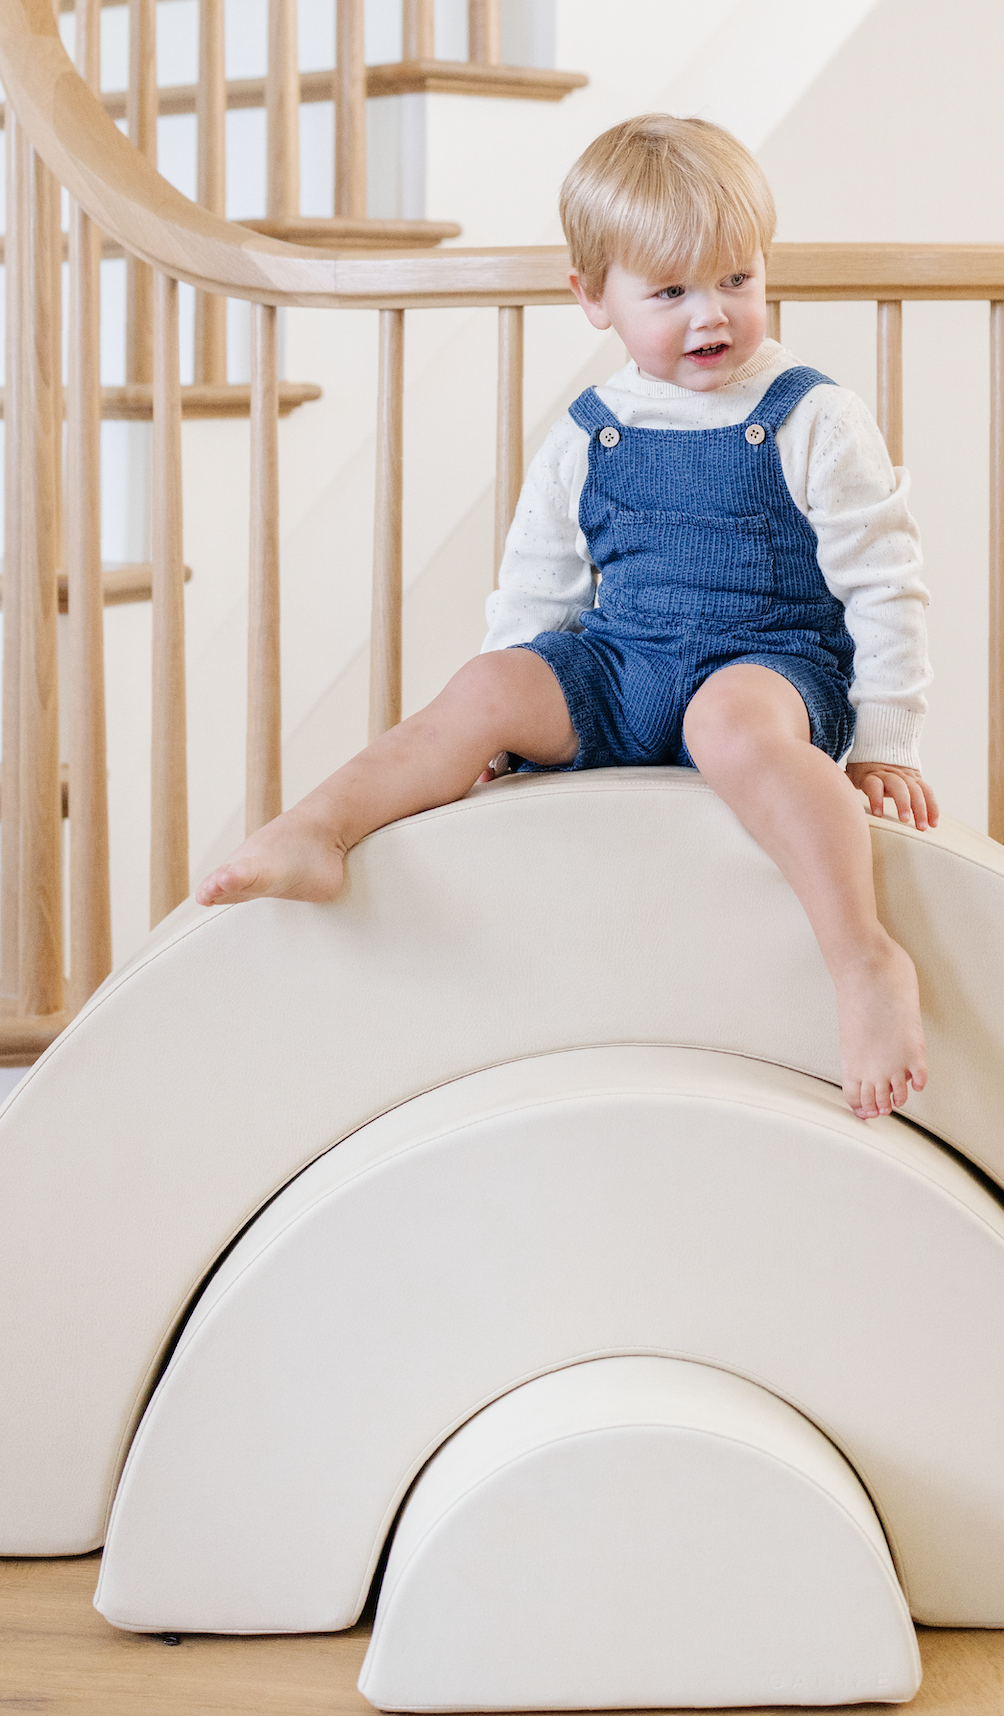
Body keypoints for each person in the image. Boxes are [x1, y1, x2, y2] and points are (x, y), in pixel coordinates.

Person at [198, 113, 936, 1119]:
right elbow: (537, 585)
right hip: (622, 662)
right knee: (487, 680)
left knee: (727, 723)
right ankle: (316, 828)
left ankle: (860, 959)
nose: (709, 313)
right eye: (669, 291)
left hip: (766, 662)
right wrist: (512, 713)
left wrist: (885, 736)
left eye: (735, 278)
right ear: (592, 296)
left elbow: (880, 577)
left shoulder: (810, 414)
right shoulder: (589, 431)